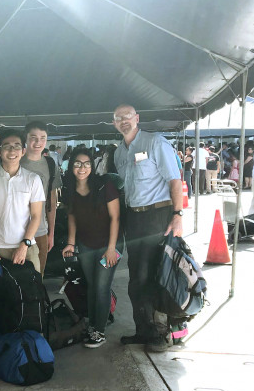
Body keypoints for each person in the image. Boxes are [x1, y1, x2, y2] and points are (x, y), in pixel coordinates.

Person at [113, 104, 182, 352]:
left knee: (155, 275)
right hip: (134, 219)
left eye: (127, 116)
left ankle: (162, 334)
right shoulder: (119, 153)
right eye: (118, 118)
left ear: (137, 118)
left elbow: (175, 179)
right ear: (114, 123)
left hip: (158, 215)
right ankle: (143, 329)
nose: (124, 121)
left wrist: (177, 215)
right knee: (136, 278)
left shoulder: (155, 143)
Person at [61, 148, 121, 348]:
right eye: (77, 163)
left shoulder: (105, 186)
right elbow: (71, 217)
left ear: (92, 166)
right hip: (86, 244)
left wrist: (111, 248)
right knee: (92, 286)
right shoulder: (69, 188)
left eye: (86, 163)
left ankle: (99, 331)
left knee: (102, 287)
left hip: (109, 244)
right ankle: (93, 324)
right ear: (71, 166)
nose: (82, 167)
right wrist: (71, 242)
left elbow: (115, 218)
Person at [0, 130, 44, 272]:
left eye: (17, 146)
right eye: (6, 146)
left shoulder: (33, 179)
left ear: (23, 151)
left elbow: (36, 216)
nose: (12, 150)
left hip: (27, 247)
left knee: (32, 292)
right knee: (0, 293)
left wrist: (24, 246)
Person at [21, 121, 61, 275]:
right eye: (33, 137)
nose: (38, 142)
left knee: (39, 276)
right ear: (26, 138)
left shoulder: (50, 164)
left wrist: (51, 232)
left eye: (42, 138)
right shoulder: (16, 160)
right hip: (16, 231)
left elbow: (52, 201)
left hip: (40, 230)